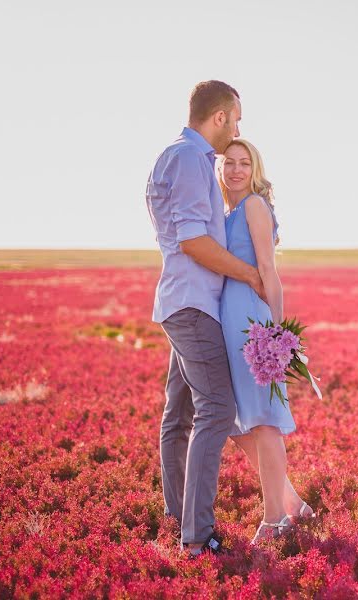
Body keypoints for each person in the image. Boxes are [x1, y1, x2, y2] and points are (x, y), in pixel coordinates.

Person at [145, 80, 264, 557]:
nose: (238, 128)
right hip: (193, 306)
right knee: (215, 407)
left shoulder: (170, 155)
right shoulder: (194, 161)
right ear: (218, 118)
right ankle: (196, 536)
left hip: (179, 301)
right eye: (236, 119)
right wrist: (250, 274)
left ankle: (178, 517)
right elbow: (194, 241)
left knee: (178, 416)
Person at [216, 139, 316, 544]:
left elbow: (268, 272)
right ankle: (292, 501)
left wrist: (277, 333)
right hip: (227, 321)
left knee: (264, 422)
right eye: (230, 163)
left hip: (252, 324)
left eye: (245, 163)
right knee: (234, 423)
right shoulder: (226, 211)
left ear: (254, 169)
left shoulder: (254, 206)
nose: (237, 170)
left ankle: (275, 519)